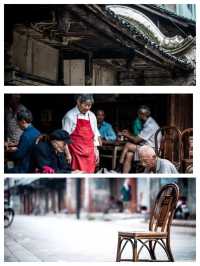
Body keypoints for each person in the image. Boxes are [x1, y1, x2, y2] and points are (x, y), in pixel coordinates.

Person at [62, 94, 101, 173]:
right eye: (85, 105)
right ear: (78, 102)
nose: (87, 108)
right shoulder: (70, 116)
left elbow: (95, 134)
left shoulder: (92, 116)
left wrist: (96, 151)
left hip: (89, 153)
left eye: (89, 105)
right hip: (75, 153)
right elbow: (64, 137)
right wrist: (67, 154)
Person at [118, 105, 161, 173]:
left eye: (139, 114)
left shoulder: (150, 125)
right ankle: (123, 174)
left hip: (152, 149)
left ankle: (118, 167)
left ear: (142, 115)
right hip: (147, 147)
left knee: (127, 145)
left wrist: (126, 134)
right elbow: (139, 137)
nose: (138, 116)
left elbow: (136, 140)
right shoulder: (148, 123)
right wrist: (129, 134)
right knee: (129, 154)